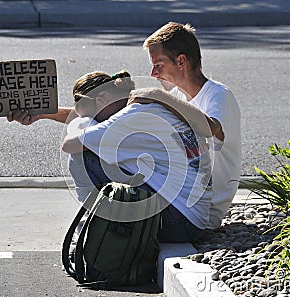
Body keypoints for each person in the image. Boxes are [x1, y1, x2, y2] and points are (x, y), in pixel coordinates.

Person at [61, 70, 213, 243]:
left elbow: (69, 145)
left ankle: (93, 222)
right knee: (104, 153)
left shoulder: (125, 120)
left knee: (82, 156)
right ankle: (98, 221)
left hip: (176, 222)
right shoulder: (151, 105)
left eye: (92, 116)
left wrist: (84, 122)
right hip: (195, 220)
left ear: (101, 99)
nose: (96, 121)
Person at [132, 22, 242, 229]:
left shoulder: (218, 96)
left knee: (93, 160)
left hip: (198, 213)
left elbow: (209, 128)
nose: (153, 74)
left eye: (158, 65)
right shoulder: (177, 96)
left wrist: (157, 96)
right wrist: (55, 113)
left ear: (181, 61)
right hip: (177, 200)